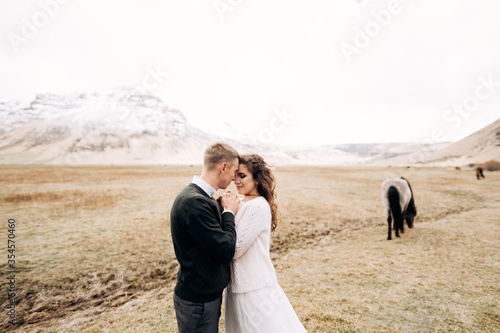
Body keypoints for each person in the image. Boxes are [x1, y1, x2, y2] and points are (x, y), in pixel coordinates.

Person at [225, 154, 307, 332]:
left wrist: (228, 213)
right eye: (235, 175)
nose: (236, 181)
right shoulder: (243, 202)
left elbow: (235, 248)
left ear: (257, 179)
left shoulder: (258, 207)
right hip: (238, 285)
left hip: (254, 287)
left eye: (243, 176)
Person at [170, 142, 241, 333]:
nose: (235, 180)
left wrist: (218, 208)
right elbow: (225, 251)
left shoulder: (200, 197)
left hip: (201, 297)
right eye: (234, 172)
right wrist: (228, 213)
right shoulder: (195, 202)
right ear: (223, 167)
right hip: (198, 302)